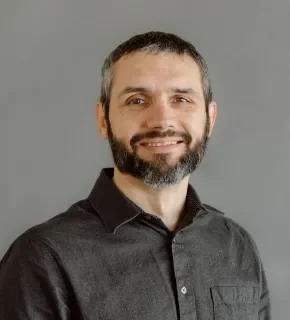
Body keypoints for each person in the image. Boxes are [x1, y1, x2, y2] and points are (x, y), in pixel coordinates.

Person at [0, 31, 271, 319]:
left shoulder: (237, 246)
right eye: (137, 101)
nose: (162, 120)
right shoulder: (42, 258)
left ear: (210, 119)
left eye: (181, 99)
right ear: (103, 120)